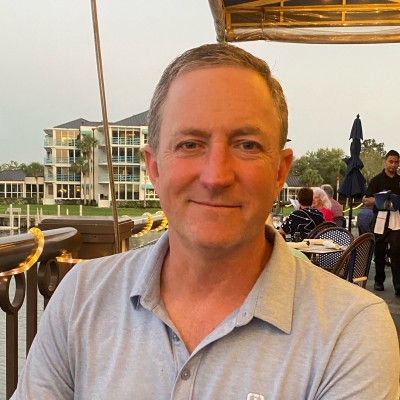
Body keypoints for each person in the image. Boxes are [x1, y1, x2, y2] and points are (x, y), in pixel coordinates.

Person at [12, 44, 399, 399]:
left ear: (280, 172)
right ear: (154, 167)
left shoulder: (351, 330)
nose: (216, 176)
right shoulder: (80, 297)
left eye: (247, 145)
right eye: (190, 144)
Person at [364, 149, 400, 295]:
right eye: (391, 162)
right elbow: (366, 200)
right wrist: (380, 200)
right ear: (385, 161)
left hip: (396, 220)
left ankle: (398, 285)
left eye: (396, 162)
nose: (393, 165)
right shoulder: (376, 180)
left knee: (397, 252)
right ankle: (379, 280)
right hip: (380, 219)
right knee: (379, 251)